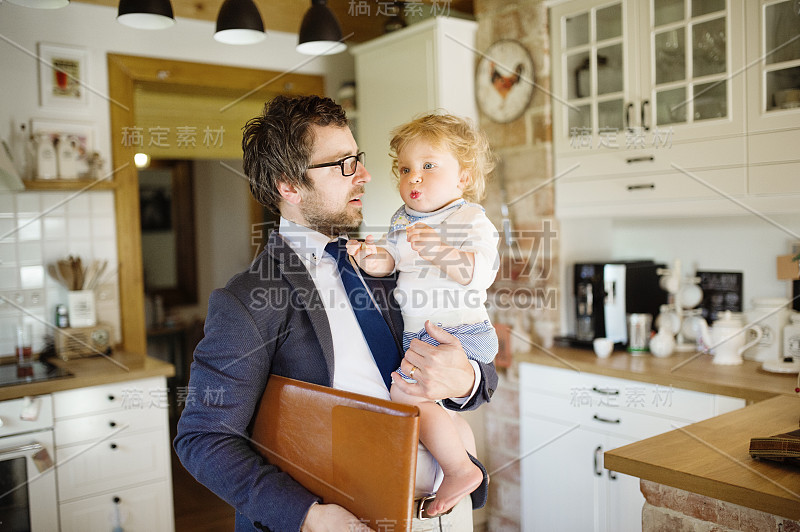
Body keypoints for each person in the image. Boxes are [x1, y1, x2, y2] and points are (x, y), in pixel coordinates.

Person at [173, 95, 498, 532]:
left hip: (447, 514)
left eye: (359, 159)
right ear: (289, 185)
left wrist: (464, 378)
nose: (364, 175)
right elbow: (203, 439)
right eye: (344, 164)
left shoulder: (389, 258)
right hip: (347, 521)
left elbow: (482, 377)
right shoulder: (248, 299)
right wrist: (308, 517)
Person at [346, 113, 499, 517]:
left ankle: (459, 468)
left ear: (462, 178)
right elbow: (391, 264)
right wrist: (371, 257)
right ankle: (458, 459)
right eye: (405, 168)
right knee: (422, 401)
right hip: (422, 337)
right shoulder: (401, 222)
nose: (414, 177)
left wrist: (441, 252)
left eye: (429, 166)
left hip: (458, 331)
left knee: (405, 394)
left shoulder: (469, 219)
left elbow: (480, 272)